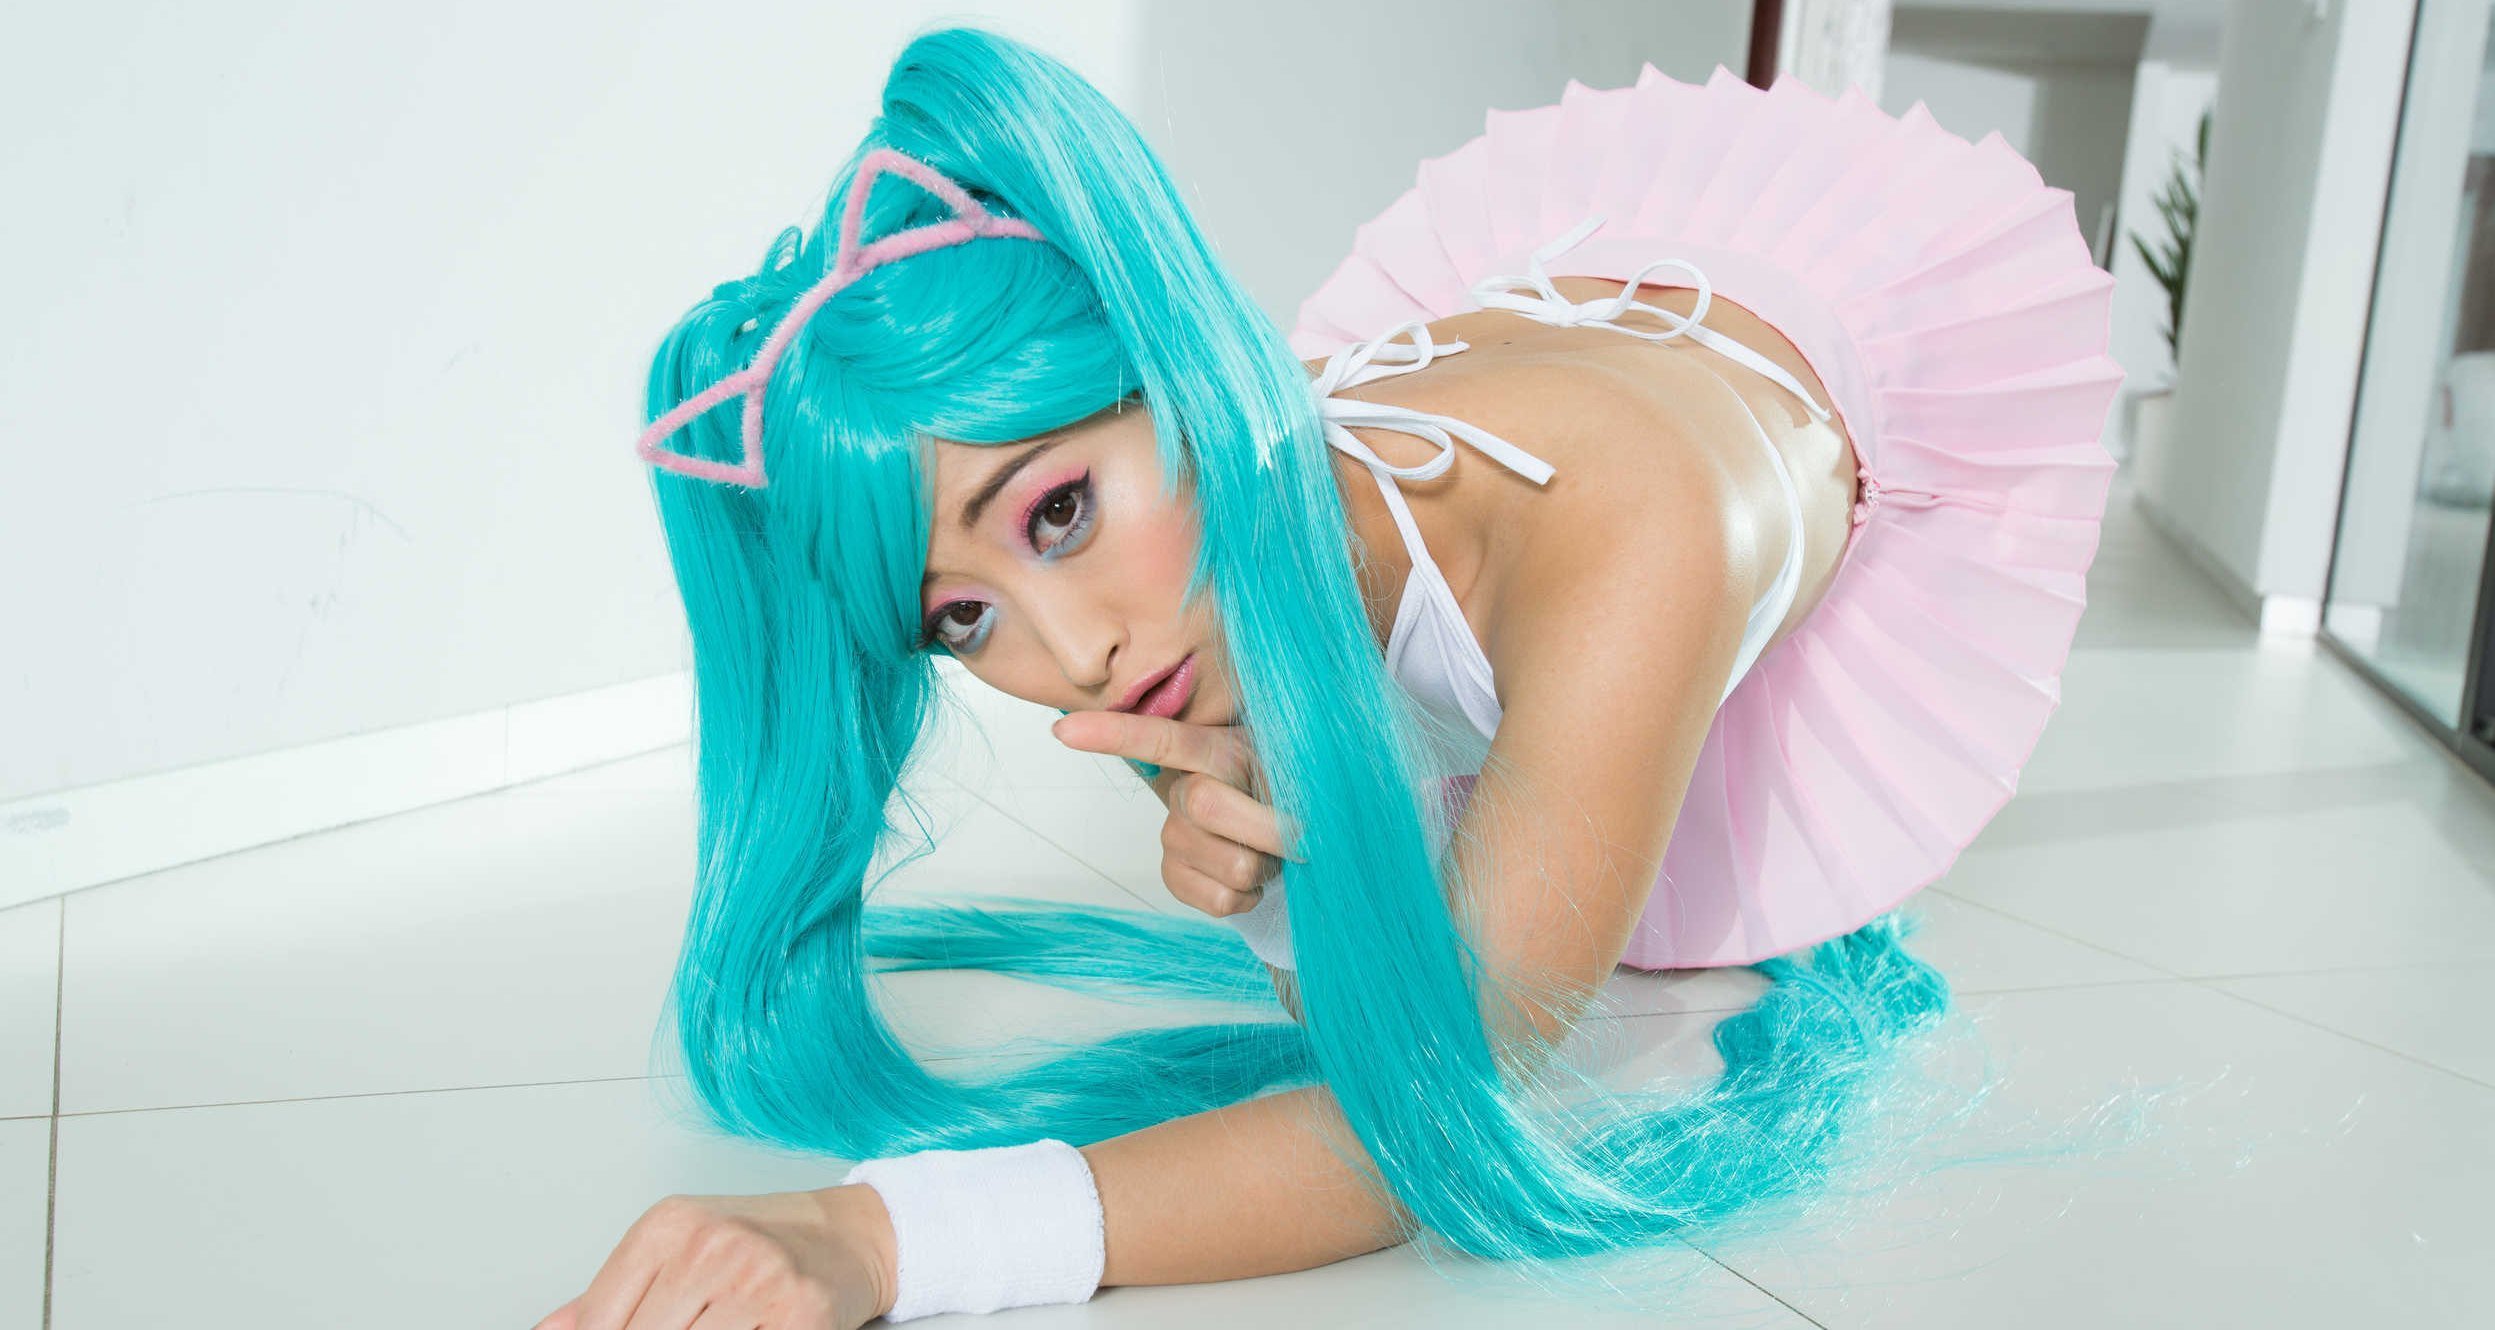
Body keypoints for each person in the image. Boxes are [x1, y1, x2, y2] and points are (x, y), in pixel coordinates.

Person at [541, 21, 2123, 1329]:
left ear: (1174, 370)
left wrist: (884, 1237)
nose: (1068, 651)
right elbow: (1369, 998)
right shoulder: (1162, 595)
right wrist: (1278, 883)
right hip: (1523, 371)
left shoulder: (1635, 529)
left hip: (1753, 380)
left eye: (1057, 509)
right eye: (958, 620)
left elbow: (1428, 1110)